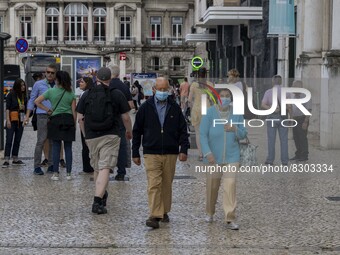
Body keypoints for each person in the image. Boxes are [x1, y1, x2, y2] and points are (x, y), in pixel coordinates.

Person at [132, 77, 190, 229]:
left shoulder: (175, 107)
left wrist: (183, 149)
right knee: (154, 183)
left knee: (166, 184)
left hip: (170, 152)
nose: (163, 92)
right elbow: (137, 131)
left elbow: (183, 130)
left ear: (169, 89)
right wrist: (135, 152)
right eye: (160, 89)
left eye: (165, 89)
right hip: (151, 151)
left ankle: (164, 210)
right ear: (153, 90)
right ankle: (155, 215)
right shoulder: (145, 108)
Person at [77, 67, 132, 214]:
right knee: (105, 167)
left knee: (97, 168)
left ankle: (101, 194)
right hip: (110, 135)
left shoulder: (86, 94)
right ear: (110, 78)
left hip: (91, 136)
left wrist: (85, 135)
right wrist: (129, 131)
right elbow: (126, 117)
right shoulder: (117, 94)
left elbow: (80, 118)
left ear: (96, 78)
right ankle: (97, 201)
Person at [200, 88, 247, 230]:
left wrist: (235, 129)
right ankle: (210, 211)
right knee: (212, 187)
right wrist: (207, 152)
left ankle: (230, 217)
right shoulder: (209, 113)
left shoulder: (237, 114)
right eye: (222, 96)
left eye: (227, 96)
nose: (225, 98)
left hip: (232, 156)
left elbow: (243, 134)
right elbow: (202, 134)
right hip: (213, 157)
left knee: (230, 185)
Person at [35, 71, 76, 181]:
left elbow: (37, 101)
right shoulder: (71, 93)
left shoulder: (51, 91)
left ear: (57, 79)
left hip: (55, 119)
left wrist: (47, 110)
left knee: (56, 147)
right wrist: (74, 124)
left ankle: (56, 173)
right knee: (68, 148)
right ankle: (68, 174)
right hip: (68, 120)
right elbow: (74, 111)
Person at [24, 64, 57, 175]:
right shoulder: (38, 84)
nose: (50, 74)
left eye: (52, 73)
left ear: (55, 74)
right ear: (45, 72)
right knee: (41, 141)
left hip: (55, 116)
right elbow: (32, 100)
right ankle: (37, 166)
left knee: (53, 141)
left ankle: (51, 165)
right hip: (42, 116)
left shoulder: (58, 85)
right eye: (48, 72)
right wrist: (27, 116)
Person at [109, 64, 134, 181]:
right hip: (120, 119)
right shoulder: (124, 86)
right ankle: (121, 172)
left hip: (106, 119)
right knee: (122, 146)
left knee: (107, 145)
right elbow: (130, 105)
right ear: (118, 74)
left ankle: (106, 169)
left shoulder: (105, 85)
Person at [261, 75, 291, 165]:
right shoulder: (286, 92)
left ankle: (270, 160)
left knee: (271, 140)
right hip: (284, 117)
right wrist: (291, 118)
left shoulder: (268, 92)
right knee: (284, 140)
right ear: (281, 82)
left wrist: (271, 108)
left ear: (273, 82)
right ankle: (285, 161)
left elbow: (263, 105)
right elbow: (289, 106)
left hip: (272, 117)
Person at [188, 67, 213, 161]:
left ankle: (200, 154)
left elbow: (190, 100)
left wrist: (190, 107)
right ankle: (208, 152)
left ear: (197, 75)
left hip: (197, 109)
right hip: (208, 109)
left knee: (198, 133)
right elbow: (212, 99)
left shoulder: (194, 85)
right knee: (207, 133)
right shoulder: (210, 85)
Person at [2, 78, 28, 168]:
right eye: (21, 85)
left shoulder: (24, 96)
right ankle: (6, 159)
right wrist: (8, 121)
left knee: (17, 140)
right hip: (11, 120)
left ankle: (15, 158)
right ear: (17, 86)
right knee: (9, 140)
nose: (23, 87)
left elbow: (28, 109)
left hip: (20, 120)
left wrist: (25, 114)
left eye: (24, 85)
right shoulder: (11, 94)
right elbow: (7, 108)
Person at [290, 80, 312, 162]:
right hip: (295, 119)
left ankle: (304, 155)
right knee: (296, 137)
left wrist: (305, 122)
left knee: (302, 137)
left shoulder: (306, 96)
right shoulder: (293, 95)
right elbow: (291, 107)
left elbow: (309, 110)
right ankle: (298, 154)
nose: (292, 88)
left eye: (294, 87)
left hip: (302, 119)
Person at [77, 77, 94, 173]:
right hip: (94, 122)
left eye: (82, 82)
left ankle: (87, 167)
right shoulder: (92, 93)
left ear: (87, 83)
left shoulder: (84, 94)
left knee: (86, 145)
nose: (80, 83)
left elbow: (80, 114)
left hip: (85, 123)